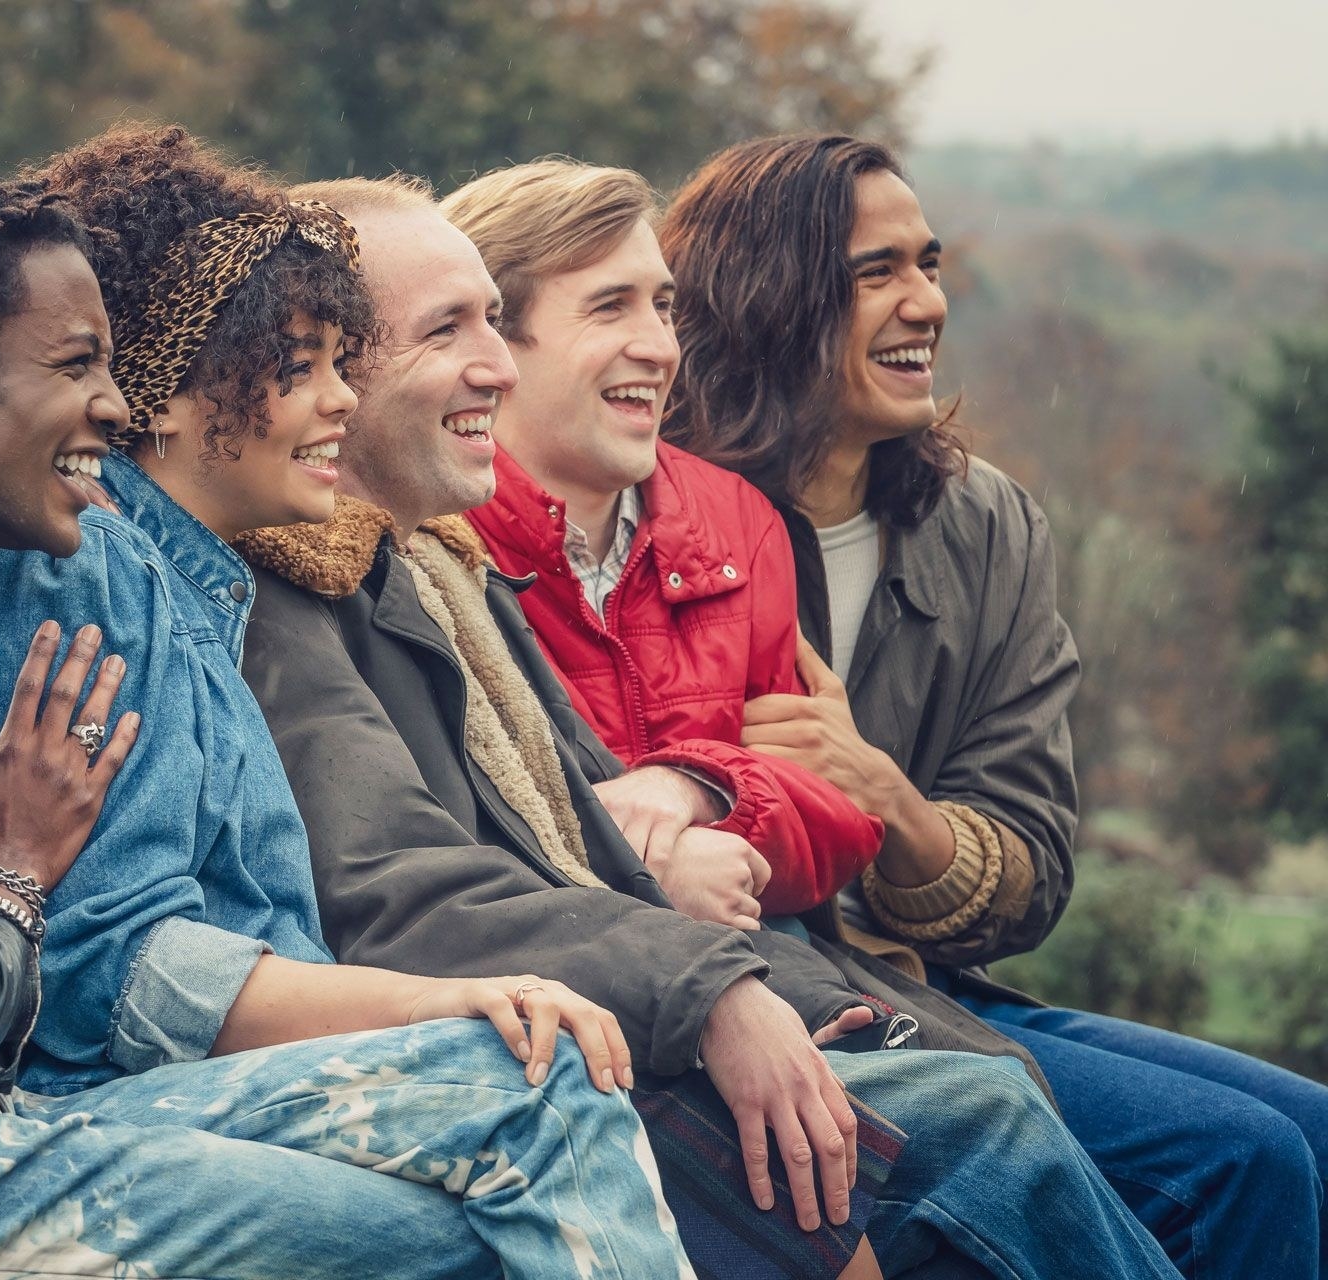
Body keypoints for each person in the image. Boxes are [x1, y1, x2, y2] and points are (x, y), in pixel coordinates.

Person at [237, 170, 1182, 1280]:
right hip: (562, 1033)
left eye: (665, 306)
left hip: (721, 973)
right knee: (1003, 1131)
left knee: (1180, 1130)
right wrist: (721, 980)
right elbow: (415, 891)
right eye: (457, 326)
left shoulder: (500, 554)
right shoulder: (366, 570)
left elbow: (807, 814)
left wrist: (712, 810)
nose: (493, 363)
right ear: (321, 375)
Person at [0, 124, 696, 1280]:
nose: (342, 401)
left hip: (217, 1095)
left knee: (500, 1169)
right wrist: (439, 1002)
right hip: (93, 1117)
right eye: (296, 368)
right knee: (539, 1075)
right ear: (174, 392)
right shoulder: (82, 565)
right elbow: (111, 966)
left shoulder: (203, 588)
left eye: (341, 362)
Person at [661, 132, 1328, 1280]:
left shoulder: (986, 525)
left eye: (930, 264)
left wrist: (888, 800)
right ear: (768, 299)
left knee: (1310, 1127)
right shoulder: (668, 511)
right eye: (878, 273)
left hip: (933, 984)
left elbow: (1030, 869)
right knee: (1241, 1156)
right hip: (775, 1007)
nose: (928, 300)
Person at [444, 157, 880, 928]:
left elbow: (838, 820)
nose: (659, 348)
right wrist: (648, 870)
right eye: (611, 307)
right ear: (494, 343)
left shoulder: (735, 521)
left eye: (664, 308)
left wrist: (693, 786)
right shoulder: (431, 538)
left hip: (774, 969)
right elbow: (423, 845)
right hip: (551, 999)